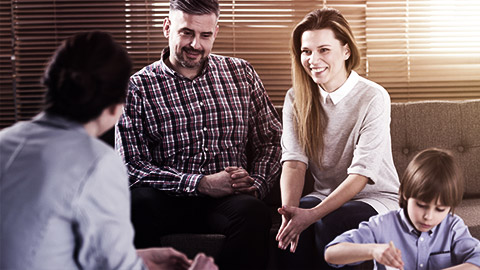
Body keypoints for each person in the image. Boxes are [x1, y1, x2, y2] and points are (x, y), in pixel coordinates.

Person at [0, 31, 217, 270]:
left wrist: (137, 257)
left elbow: (46, 243)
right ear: (117, 107)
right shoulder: (98, 162)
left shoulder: (5, 142)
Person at [114, 0, 282, 269]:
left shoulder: (241, 74)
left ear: (216, 32)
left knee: (253, 213)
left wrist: (256, 184)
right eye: (186, 33)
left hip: (229, 202)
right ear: (167, 28)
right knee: (136, 205)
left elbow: (271, 139)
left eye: (205, 35)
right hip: (166, 200)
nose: (195, 44)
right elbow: (131, 167)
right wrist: (201, 183)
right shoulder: (137, 87)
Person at [275, 8, 400, 269]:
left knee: (330, 222)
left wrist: (309, 216)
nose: (313, 59)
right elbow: (294, 163)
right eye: (306, 51)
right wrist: (291, 214)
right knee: (288, 232)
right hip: (324, 195)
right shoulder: (295, 98)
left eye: (323, 50)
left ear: (346, 51)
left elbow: (361, 175)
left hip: (375, 198)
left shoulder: (373, 97)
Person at [325, 148, 480, 269]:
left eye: (440, 209)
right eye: (421, 205)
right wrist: (373, 250)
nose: (428, 216)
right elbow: (331, 253)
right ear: (404, 193)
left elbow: (477, 258)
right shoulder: (383, 225)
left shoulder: (453, 227)